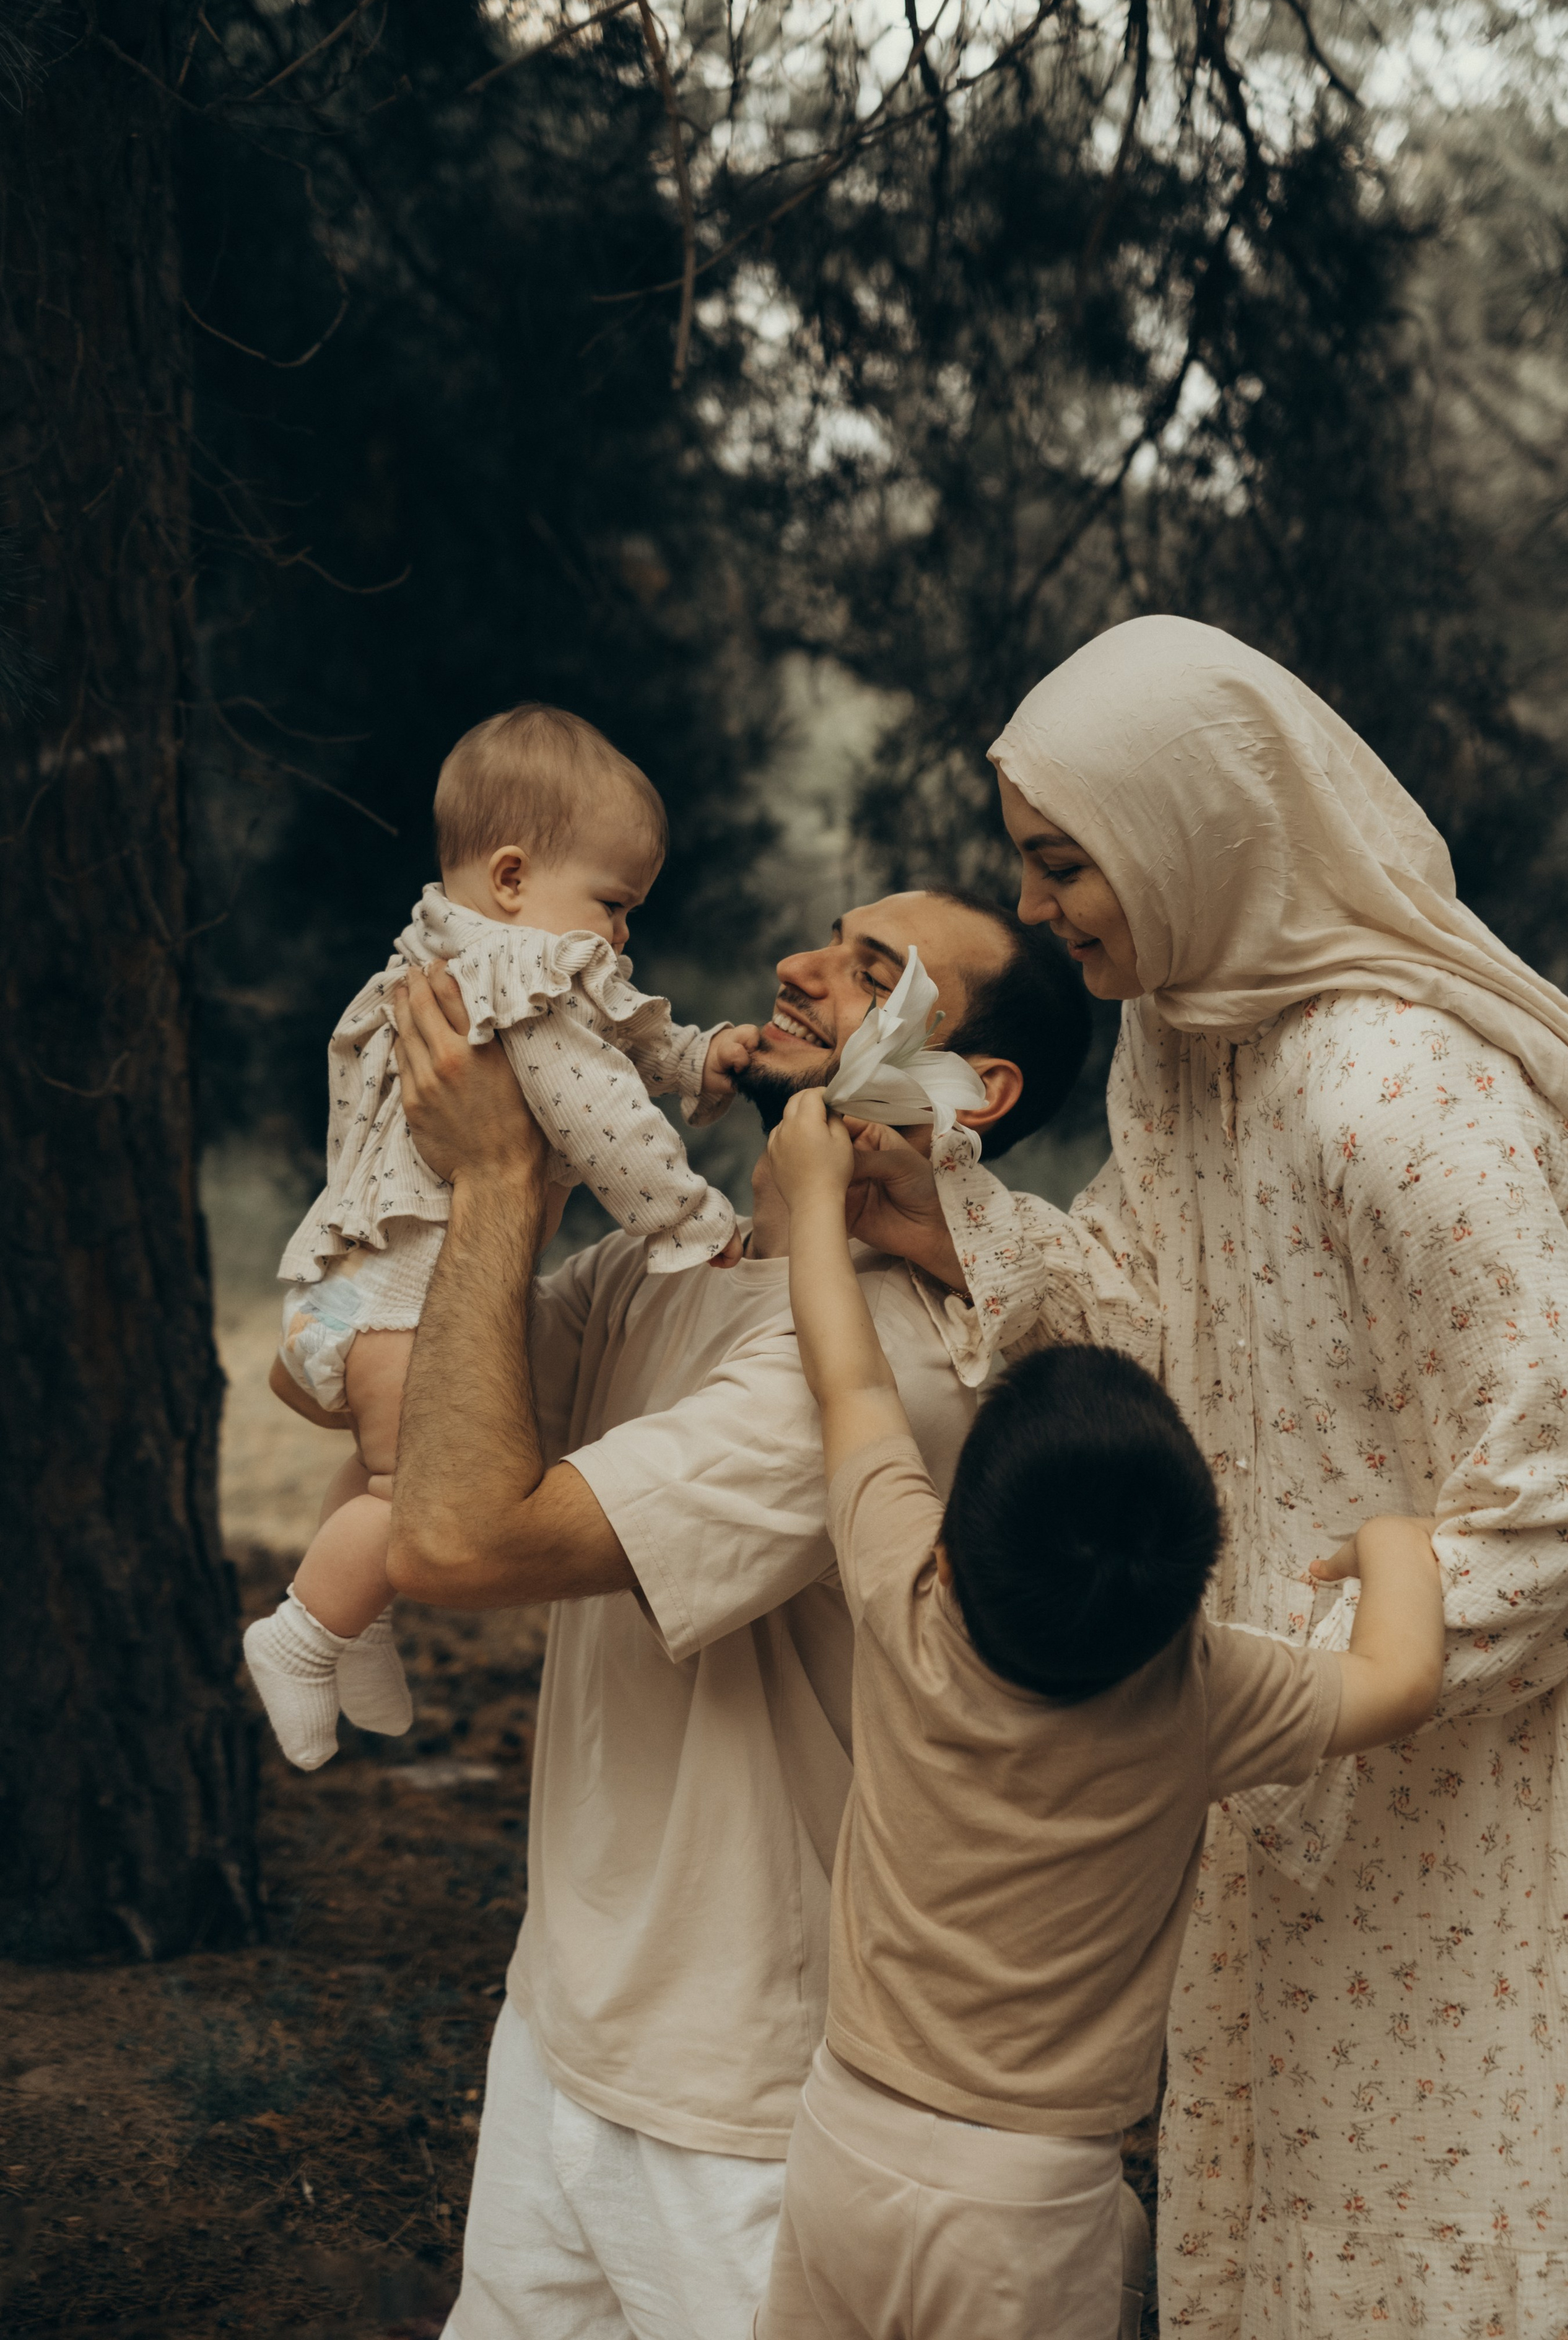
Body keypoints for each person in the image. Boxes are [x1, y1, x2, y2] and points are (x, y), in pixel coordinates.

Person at [837, 616, 1568, 2336]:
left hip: (1441, 1793)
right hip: (1271, 1760)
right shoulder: (1192, 1035)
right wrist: (948, 1231)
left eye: (1060, 862)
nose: (1034, 911)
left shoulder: (1397, 1090)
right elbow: (1152, 1303)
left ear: (1192, 831)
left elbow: (1559, 1480)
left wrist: (1353, 1672)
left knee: (1435, 2225)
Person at [380, 889, 1091, 2340]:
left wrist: (501, 1186)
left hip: (741, 2099)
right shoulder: (681, 1266)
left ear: (976, 1088)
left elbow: (457, 1541)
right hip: (563, 2019)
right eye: (829, 941)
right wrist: (420, 1151)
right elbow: (389, 1427)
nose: (797, 969)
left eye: (871, 971)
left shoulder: (878, 1358)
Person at [749, 1084, 1445, 2340]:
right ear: (1186, 1588)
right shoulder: (1202, 1691)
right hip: (1030, 2204)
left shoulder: (910, 1603)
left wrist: (809, 1199)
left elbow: (846, 1381)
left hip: (843, 2133)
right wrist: (1392, 1541)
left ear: (956, 1549)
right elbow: (1398, 1680)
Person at [243, 703, 757, 1771]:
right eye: (614, 904)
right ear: (515, 879)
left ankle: (358, 1623)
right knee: (403, 1488)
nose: (623, 935)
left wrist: (703, 1059)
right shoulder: (516, 986)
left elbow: (628, 1032)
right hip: (398, 1289)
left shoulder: (460, 956)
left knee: (400, 1474)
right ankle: (304, 1633)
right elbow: (601, 1112)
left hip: (358, 1273)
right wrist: (687, 1215)